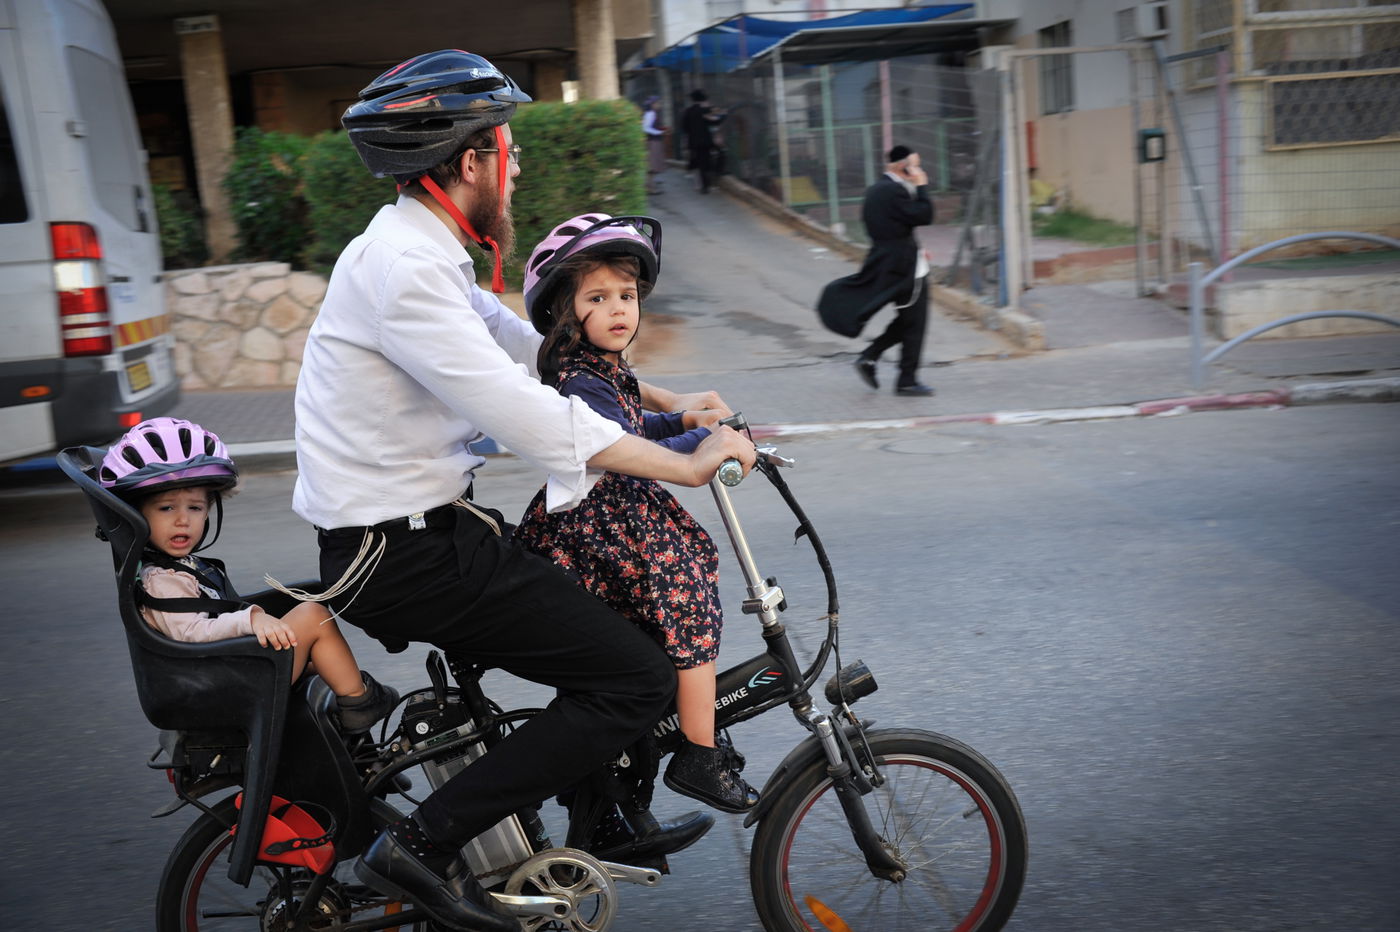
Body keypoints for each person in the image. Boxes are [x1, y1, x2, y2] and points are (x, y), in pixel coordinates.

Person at [291, 50, 755, 931]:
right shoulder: (404, 269)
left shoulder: (422, 252)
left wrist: (672, 403)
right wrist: (687, 463)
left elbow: (532, 354)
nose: (517, 165)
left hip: (431, 532)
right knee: (635, 677)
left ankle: (600, 820)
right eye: (508, 148)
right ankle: (419, 844)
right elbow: (526, 413)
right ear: (471, 162)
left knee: (617, 632)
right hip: (401, 554)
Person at [514, 213, 760, 814]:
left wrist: (683, 420)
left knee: (662, 626)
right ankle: (700, 753)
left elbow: (634, 424)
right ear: (568, 313)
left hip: (619, 515)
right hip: (603, 525)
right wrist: (707, 443)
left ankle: (628, 774)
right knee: (688, 604)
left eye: (626, 295)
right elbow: (622, 447)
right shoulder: (580, 380)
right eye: (597, 298)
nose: (618, 309)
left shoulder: (603, 368)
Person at [99, 417, 398, 734]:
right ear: (137, 516)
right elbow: (192, 632)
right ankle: (360, 703)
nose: (183, 520)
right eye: (166, 508)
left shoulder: (179, 566)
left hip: (217, 674)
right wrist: (251, 620)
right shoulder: (162, 580)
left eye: (195, 508)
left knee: (314, 651)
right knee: (312, 616)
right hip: (212, 688)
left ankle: (350, 708)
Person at [816, 145, 936, 397]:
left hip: (889, 261)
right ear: (903, 166)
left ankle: (871, 357)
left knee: (908, 320)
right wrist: (922, 186)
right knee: (915, 322)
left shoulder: (876, 190)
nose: (919, 170)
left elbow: (894, 226)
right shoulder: (895, 191)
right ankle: (906, 380)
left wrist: (916, 247)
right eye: (915, 165)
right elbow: (924, 215)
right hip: (905, 268)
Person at [680, 88, 726, 194]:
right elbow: (716, 121)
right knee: (720, 153)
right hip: (706, 140)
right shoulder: (706, 110)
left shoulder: (688, 111)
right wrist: (723, 115)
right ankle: (717, 174)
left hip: (694, 141)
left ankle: (704, 187)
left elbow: (684, 127)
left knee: (701, 162)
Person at [641, 95, 667, 195]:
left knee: (652, 166)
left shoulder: (652, 113)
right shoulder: (650, 114)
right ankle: (650, 188)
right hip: (653, 142)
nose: (659, 105)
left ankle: (650, 187)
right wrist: (659, 132)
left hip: (654, 141)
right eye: (658, 103)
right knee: (652, 166)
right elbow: (645, 128)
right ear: (653, 104)